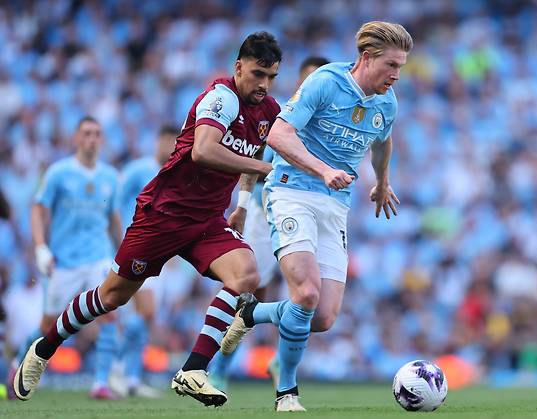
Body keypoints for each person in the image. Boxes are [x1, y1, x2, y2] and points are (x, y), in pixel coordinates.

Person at [13, 32, 282, 408]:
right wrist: (264, 166)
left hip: (207, 220)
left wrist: (243, 202)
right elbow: (204, 151)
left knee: (246, 275)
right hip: (164, 214)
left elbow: (252, 154)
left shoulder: (269, 110)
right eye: (257, 74)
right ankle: (45, 347)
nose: (264, 85)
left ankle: (194, 369)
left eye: (271, 76)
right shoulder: (220, 98)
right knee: (112, 297)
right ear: (238, 67)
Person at [220, 21, 413, 411]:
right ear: (366, 57)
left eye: (401, 68)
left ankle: (252, 311)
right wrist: (322, 170)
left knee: (322, 317)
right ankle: (286, 392)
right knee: (305, 294)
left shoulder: (386, 101)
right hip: (292, 192)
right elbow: (277, 135)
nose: (396, 75)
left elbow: (383, 138)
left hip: (334, 207)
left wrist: (382, 180)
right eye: (391, 65)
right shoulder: (326, 81)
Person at [208, 56, 330, 391]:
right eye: (308, 80)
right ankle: (220, 366)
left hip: (312, 211)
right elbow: (253, 159)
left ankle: (279, 361)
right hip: (269, 208)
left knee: (307, 292)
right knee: (250, 289)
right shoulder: (280, 116)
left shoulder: (332, 122)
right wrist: (244, 204)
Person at [16, 116, 123, 400]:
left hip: (98, 256)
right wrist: (40, 247)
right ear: (76, 138)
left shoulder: (111, 176)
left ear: (102, 140)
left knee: (109, 313)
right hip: (64, 260)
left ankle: (101, 383)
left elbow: (113, 218)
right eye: (86, 133)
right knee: (48, 325)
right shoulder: (58, 173)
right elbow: (38, 209)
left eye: (97, 134)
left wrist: (124, 253)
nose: (91, 138)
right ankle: (18, 364)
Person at [114, 125, 178, 397]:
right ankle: (117, 366)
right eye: (166, 140)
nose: (170, 145)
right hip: (135, 248)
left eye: (174, 140)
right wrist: (120, 240)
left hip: (160, 252)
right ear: (157, 141)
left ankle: (130, 377)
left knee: (145, 315)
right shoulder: (137, 170)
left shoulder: (177, 172)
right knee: (147, 310)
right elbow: (115, 204)